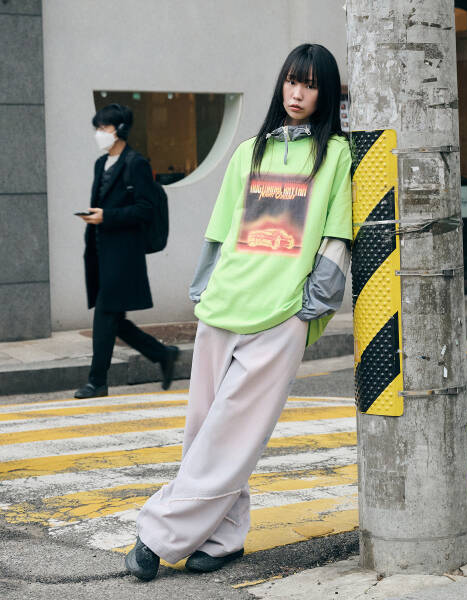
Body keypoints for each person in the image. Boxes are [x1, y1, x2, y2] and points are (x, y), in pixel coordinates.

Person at [125, 44, 352, 581]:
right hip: (223, 307)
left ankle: (158, 535)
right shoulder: (250, 150)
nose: (297, 93)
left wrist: (308, 311)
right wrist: (204, 293)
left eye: (310, 85)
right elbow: (220, 230)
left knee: (231, 434)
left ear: (325, 94)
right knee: (206, 430)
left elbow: (336, 238)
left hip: (280, 313)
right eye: (292, 81)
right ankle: (224, 538)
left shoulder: (336, 155)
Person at [75, 103, 178, 399]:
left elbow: (145, 209)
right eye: (97, 128)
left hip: (123, 256)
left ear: (120, 129)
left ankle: (97, 382)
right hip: (100, 252)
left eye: (103, 128)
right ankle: (163, 354)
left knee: (104, 315)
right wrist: (96, 217)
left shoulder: (136, 163)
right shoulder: (101, 164)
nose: (99, 133)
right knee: (114, 320)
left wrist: (107, 216)